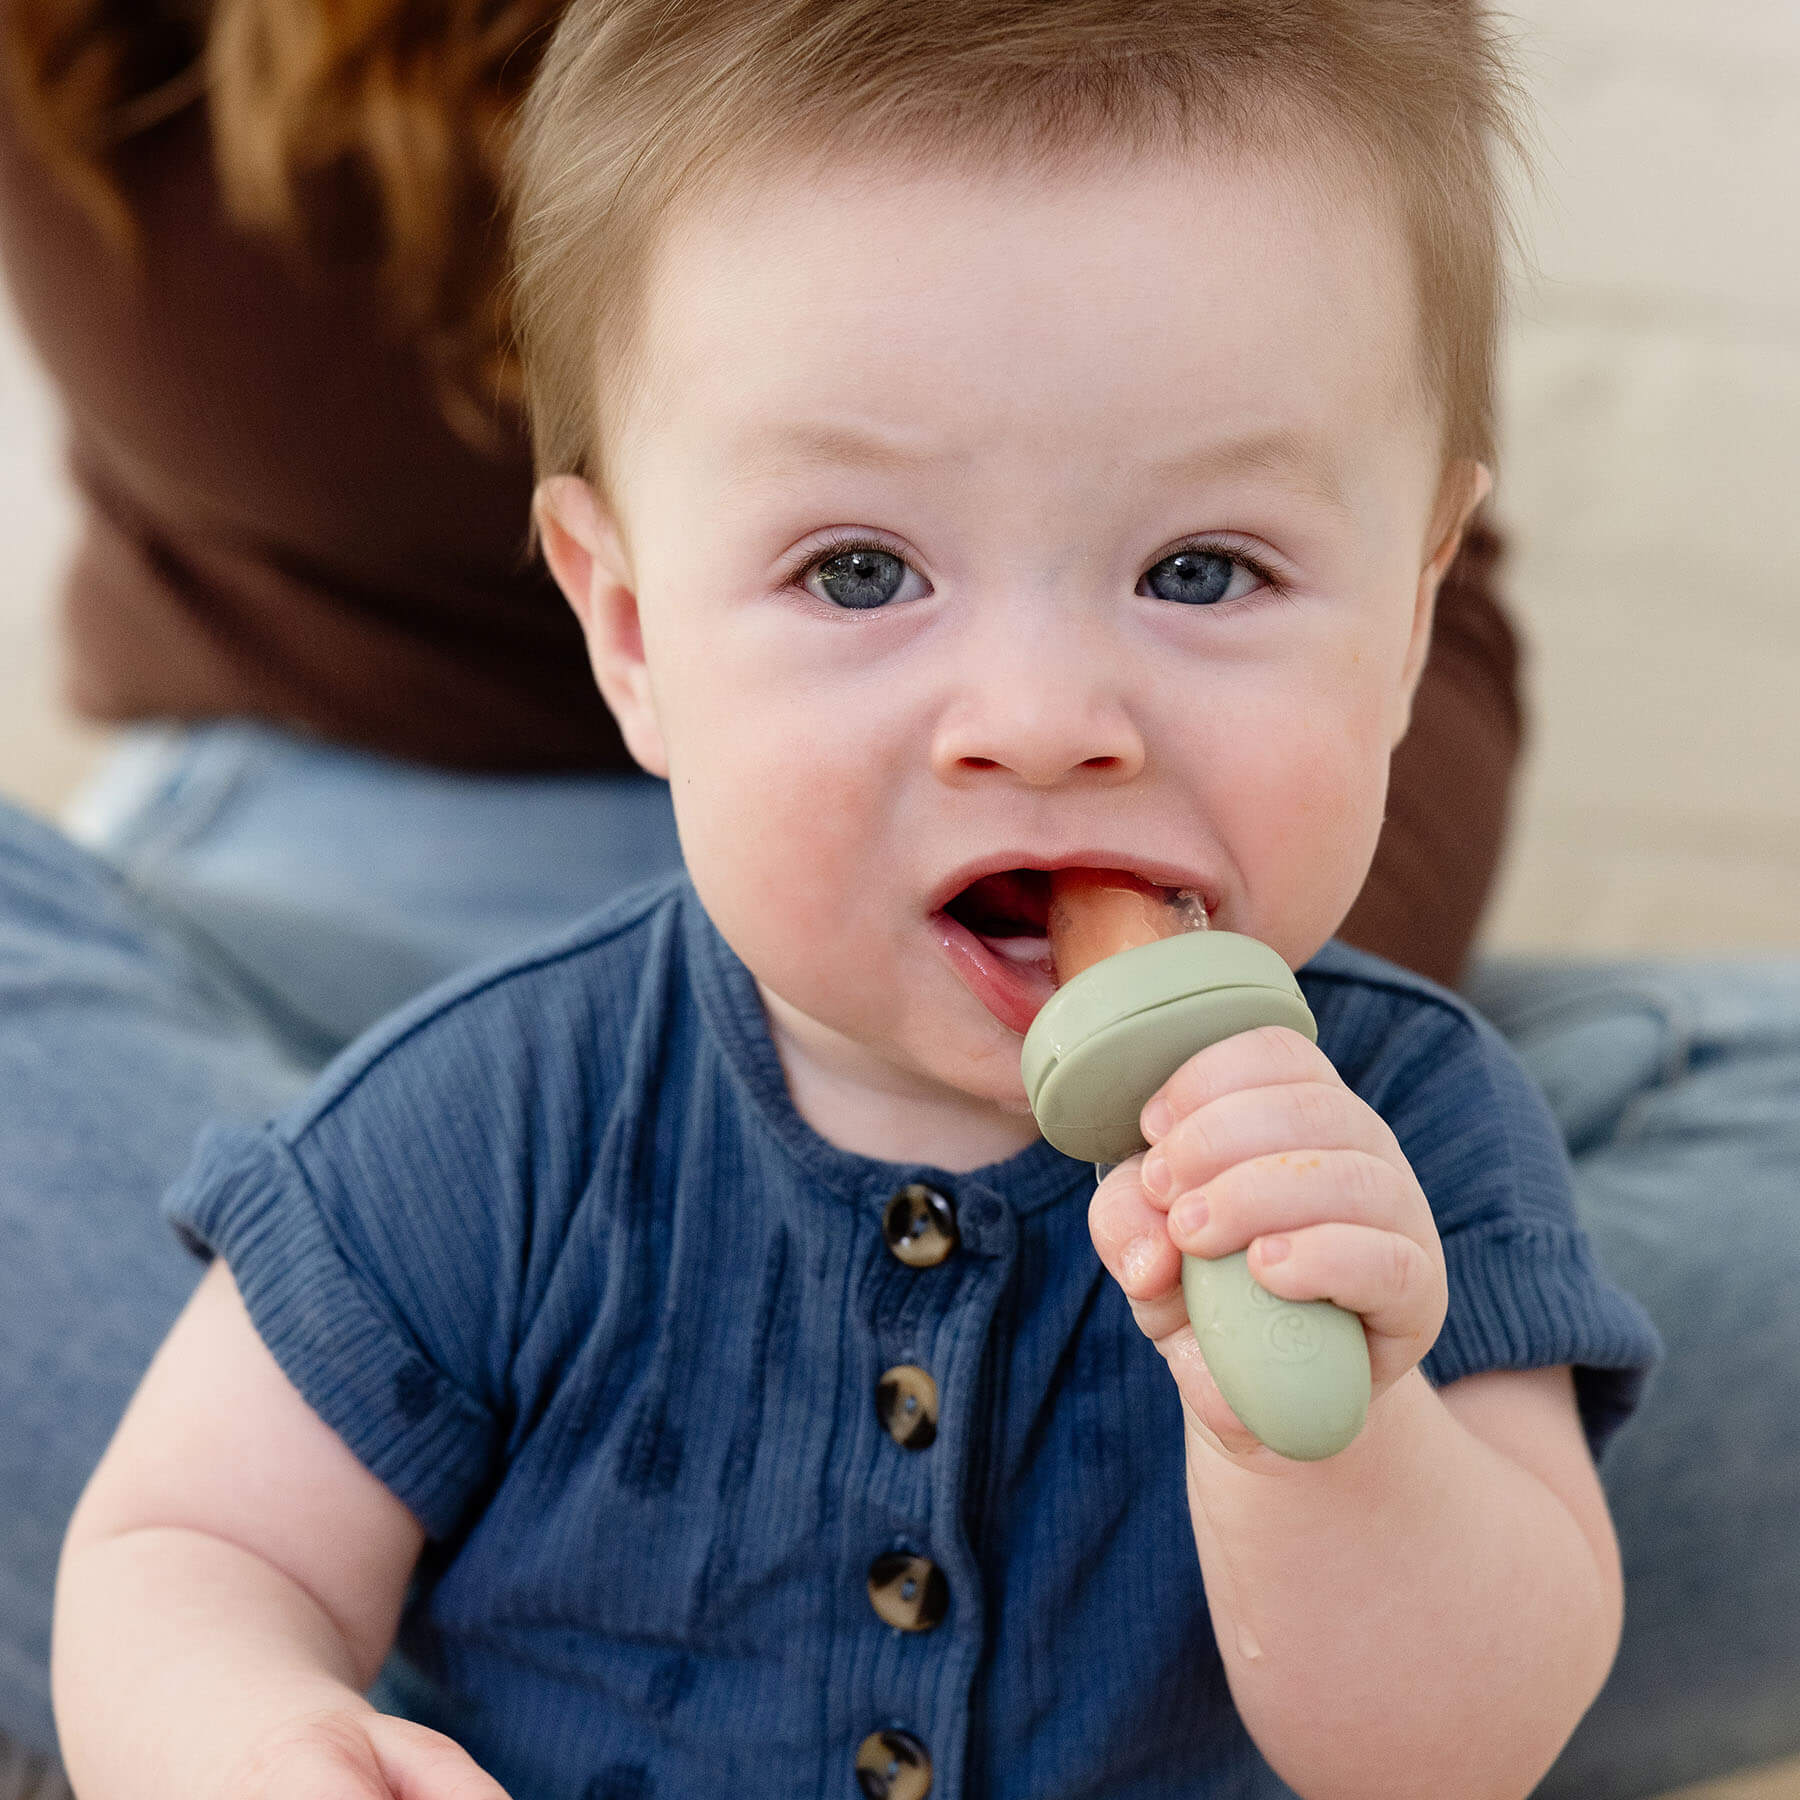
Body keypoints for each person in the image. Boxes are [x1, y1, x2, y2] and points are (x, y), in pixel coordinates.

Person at [2, 5, 1796, 1800]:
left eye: (1202, 569)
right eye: (861, 570)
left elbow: (1449, 1756)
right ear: (630, 629)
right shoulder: (497, 1113)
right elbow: (193, 1548)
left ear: (1407, 616)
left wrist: (1337, 1443)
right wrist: (246, 1736)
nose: (1045, 720)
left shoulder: (1411, 1134)